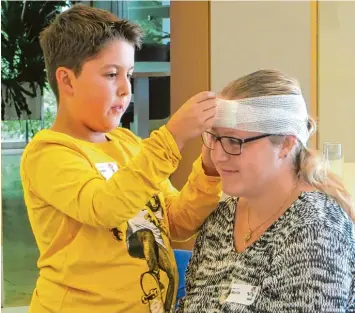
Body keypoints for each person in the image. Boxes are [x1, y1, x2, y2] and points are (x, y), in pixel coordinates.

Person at [20, 4, 222, 313]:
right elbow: (105, 207)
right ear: (67, 80)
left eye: (129, 74)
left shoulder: (128, 144)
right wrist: (173, 137)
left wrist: (208, 168)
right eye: (111, 74)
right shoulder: (48, 153)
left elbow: (175, 223)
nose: (126, 89)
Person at [176, 69, 355, 313]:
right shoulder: (221, 219)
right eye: (214, 138)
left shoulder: (315, 229)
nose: (218, 156)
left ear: (285, 144)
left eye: (234, 142)